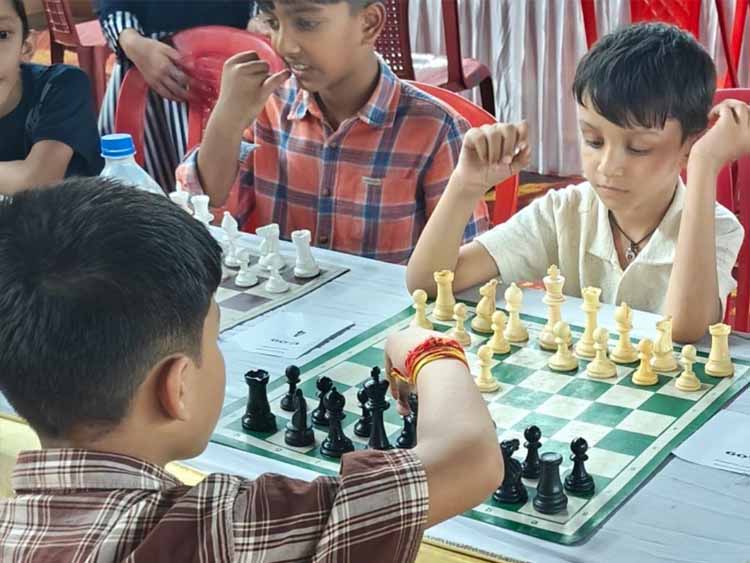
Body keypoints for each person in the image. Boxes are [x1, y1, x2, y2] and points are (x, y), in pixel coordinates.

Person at [0, 177, 502, 562]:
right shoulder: (226, 532)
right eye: (214, 339)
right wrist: (427, 347)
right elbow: (469, 459)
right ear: (177, 388)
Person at [406, 23, 747, 343]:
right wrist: (466, 185)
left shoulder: (717, 226)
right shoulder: (562, 211)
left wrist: (704, 165)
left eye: (639, 148)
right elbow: (429, 283)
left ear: (690, 144)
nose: (608, 166)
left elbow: (684, 328)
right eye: (593, 141)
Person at [176, 0, 490, 264]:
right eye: (273, 22)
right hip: (290, 309)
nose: (283, 45)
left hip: (394, 314)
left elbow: (462, 270)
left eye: (306, 23)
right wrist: (226, 120)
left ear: (369, 23)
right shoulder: (265, 106)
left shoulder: (437, 132)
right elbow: (201, 219)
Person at [96, 0, 259, 190]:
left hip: (239, 57)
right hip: (151, 61)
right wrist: (130, 41)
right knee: (139, 188)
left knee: (232, 189)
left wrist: (264, 19)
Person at [0, 0, 102, 195]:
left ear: (26, 46)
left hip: (72, 213)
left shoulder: (60, 86)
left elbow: (37, 180)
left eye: (1, 35)